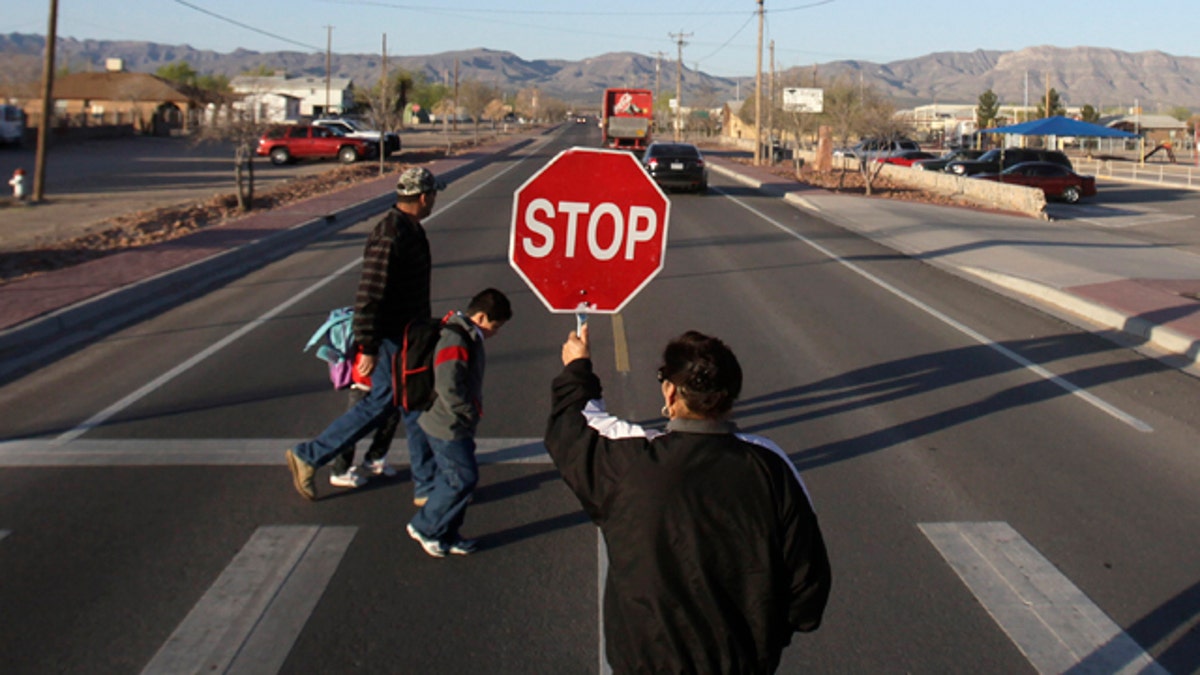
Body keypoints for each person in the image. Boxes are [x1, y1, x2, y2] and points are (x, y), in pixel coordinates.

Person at [545, 326, 832, 673]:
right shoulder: (771, 467)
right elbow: (807, 586)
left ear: (670, 394)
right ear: (730, 396)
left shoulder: (629, 463)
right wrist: (764, 639)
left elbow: (570, 431)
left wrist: (577, 367)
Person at [286, 166, 445, 502]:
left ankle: (426, 484)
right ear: (422, 196)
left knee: (406, 403)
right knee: (400, 402)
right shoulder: (390, 234)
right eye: (432, 195)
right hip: (391, 339)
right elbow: (369, 295)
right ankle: (311, 455)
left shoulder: (410, 229)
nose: (433, 201)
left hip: (409, 337)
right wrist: (369, 346)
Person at [405, 288, 512, 558]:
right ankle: (425, 526)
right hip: (447, 424)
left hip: (453, 423)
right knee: (462, 479)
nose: (495, 333)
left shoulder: (466, 334)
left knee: (452, 476)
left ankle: (448, 533)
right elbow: (448, 384)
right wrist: (466, 411)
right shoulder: (456, 338)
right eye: (495, 326)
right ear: (481, 316)